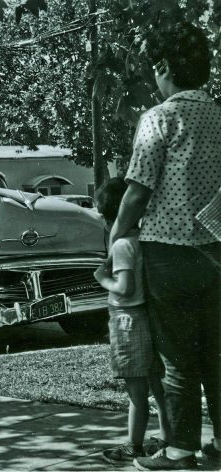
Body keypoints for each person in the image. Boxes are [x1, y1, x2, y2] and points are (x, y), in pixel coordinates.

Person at [109, 23, 221, 470]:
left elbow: (137, 190)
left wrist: (116, 234)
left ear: (164, 67)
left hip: (168, 253)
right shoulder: (219, 116)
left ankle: (179, 449)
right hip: (216, 250)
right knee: (216, 353)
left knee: (177, 355)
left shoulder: (159, 117)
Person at [93, 177, 170, 465]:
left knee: (136, 392)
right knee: (157, 384)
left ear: (107, 218)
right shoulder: (146, 240)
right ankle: (167, 438)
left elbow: (124, 288)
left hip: (128, 321)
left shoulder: (123, 245)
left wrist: (102, 278)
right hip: (148, 317)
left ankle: (133, 446)